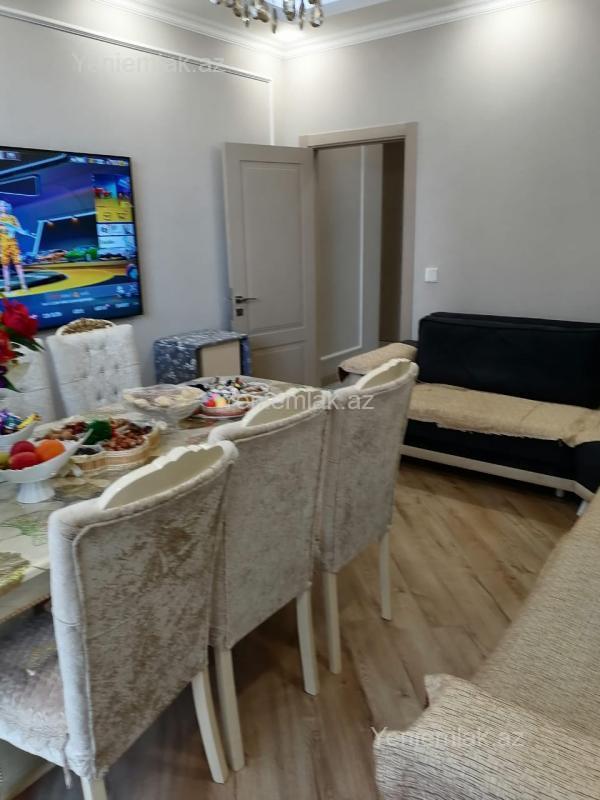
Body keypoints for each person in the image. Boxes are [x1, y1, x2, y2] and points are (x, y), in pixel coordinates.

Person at [0, 200, 28, 293]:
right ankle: (7, 288)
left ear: (7, 207)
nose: (3, 207)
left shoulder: (13, 218)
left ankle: (23, 285)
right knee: (5, 267)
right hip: (2, 246)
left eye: (4, 206)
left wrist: (24, 232)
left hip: (13, 245)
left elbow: (20, 230)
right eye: (1, 206)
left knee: (18, 265)